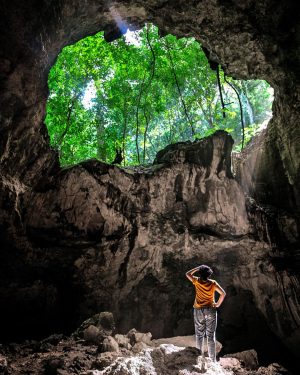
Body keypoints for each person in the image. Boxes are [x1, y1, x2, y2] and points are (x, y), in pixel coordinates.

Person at [186, 264, 226, 362]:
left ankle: (199, 357)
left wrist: (197, 268)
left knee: (199, 335)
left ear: (200, 274)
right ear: (209, 275)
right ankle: (212, 360)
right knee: (211, 336)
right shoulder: (213, 283)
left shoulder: (197, 281)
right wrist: (217, 304)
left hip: (199, 310)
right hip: (210, 310)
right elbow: (223, 294)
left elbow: (187, 274)